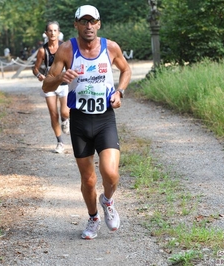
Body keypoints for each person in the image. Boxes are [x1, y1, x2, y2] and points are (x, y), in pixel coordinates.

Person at [42, 5, 131, 239]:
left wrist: (119, 92)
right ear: (76, 25)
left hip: (104, 119)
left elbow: (126, 70)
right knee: (89, 180)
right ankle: (93, 218)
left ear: (99, 24)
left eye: (93, 21)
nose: (88, 26)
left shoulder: (110, 47)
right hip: (80, 121)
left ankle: (108, 201)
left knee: (110, 173)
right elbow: (46, 85)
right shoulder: (66, 50)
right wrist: (61, 77)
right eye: (84, 21)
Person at [33, 21, 70, 154]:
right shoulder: (43, 50)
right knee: (53, 114)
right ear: (46, 33)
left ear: (59, 32)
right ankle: (60, 142)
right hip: (49, 85)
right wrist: (39, 75)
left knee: (65, 112)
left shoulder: (65, 47)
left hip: (63, 83)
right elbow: (35, 68)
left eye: (55, 30)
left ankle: (66, 120)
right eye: (50, 30)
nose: (53, 33)